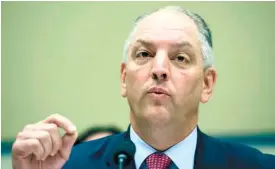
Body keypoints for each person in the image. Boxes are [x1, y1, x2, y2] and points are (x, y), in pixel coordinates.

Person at [11, 6, 275, 169]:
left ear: (207, 84)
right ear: (124, 78)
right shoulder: (66, 166)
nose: (159, 69)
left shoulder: (258, 166)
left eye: (180, 58)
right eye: (144, 54)